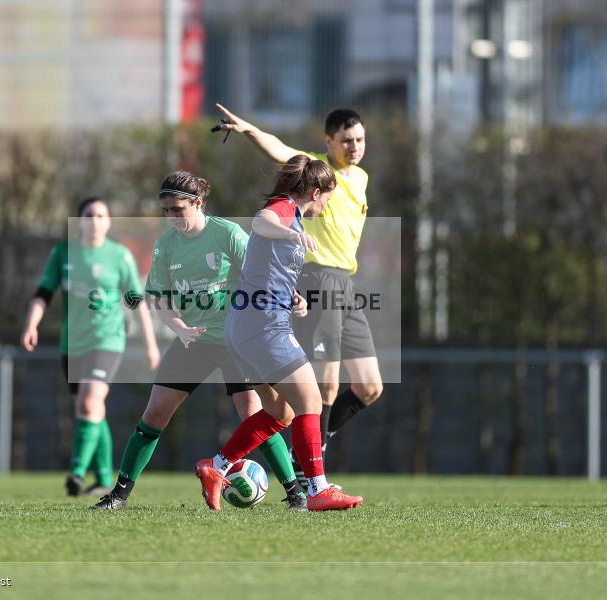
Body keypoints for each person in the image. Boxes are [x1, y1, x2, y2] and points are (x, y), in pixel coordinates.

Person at [91, 171, 307, 511]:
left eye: (177, 209)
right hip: (193, 339)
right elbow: (160, 301)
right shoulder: (165, 245)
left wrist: (292, 296)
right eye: (166, 211)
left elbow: (264, 271)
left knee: (253, 412)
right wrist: (179, 328)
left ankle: (296, 493)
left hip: (237, 337)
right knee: (156, 412)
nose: (171, 217)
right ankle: (117, 495)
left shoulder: (227, 233)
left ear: (198, 203)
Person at [214, 104, 384, 485]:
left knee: (370, 387)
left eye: (359, 140)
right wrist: (247, 130)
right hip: (319, 277)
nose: (354, 147)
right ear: (329, 141)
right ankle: (311, 472)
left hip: (346, 282)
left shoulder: (361, 178)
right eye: (346, 141)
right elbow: (276, 148)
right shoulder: (315, 167)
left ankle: (310, 448)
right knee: (325, 384)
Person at [195, 155, 363, 512]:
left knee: (281, 412)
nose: (327, 205)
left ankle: (217, 465)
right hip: (262, 327)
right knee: (311, 402)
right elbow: (262, 222)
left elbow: (266, 269)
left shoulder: (293, 215)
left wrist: (293, 298)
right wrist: (291, 231)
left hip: (246, 326)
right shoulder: (284, 208)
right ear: (315, 192)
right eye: (327, 198)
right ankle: (317, 490)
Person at [21, 196, 160, 497]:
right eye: (88, 215)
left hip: (108, 341)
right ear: (79, 221)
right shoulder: (63, 253)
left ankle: (76, 472)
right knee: (91, 408)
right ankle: (101, 479)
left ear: (108, 222)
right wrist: (32, 325)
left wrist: (151, 345)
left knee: (88, 401)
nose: (94, 221)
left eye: (100, 215)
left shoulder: (119, 256)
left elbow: (137, 303)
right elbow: (43, 293)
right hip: (71, 345)